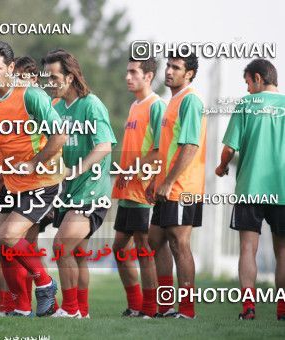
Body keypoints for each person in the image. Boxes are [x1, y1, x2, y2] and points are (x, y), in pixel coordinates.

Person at [0, 41, 67, 317]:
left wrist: (33, 163)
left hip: (43, 179)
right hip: (12, 180)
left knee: (7, 236)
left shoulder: (31, 95)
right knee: (5, 246)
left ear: (11, 67)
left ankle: (45, 283)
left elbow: (60, 136)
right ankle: (20, 308)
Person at [42, 49, 116, 318]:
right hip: (69, 193)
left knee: (61, 246)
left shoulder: (92, 104)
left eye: (53, 77)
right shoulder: (57, 108)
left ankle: (70, 309)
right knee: (78, 253)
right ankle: (82, 312)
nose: (49, 83)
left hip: (92, 191)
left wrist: (77, 169)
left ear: (71, 77)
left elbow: (104, 146)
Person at [216, 59, 285, 321]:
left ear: (258, 78)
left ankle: (248, 308)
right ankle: (282, 309)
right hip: (282, 189)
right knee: (283, 251)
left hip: (250, 189)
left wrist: (222, 167)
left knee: (247, 249)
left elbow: (229, 149)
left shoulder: (246, 105)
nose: (247, 90)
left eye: (247, 82)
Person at [147, 49, 205, 319]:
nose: (169, 71)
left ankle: (187, 310)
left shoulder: (190, 100)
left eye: (176, 68)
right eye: (168, 66)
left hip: (183, 187)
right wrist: (154, 180)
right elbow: (165, 149)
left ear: (189, 74)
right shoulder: (171, 101)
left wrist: (169, 182)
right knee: (156, 239)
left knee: (179, 243)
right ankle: (166, 305)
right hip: (166, 184)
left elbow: (190, 146)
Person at [112, 57, 166, 318]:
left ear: (148, 76)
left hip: (143, 191)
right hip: (127, 191)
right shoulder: (134, 106)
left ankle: (149, 308)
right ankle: (134, 304)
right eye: (127, 72)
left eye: (133, 72)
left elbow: (159, 151)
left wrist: (132, 171)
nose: (128, 77)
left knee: (144, 250)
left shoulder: (156, 106)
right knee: (119, 248)